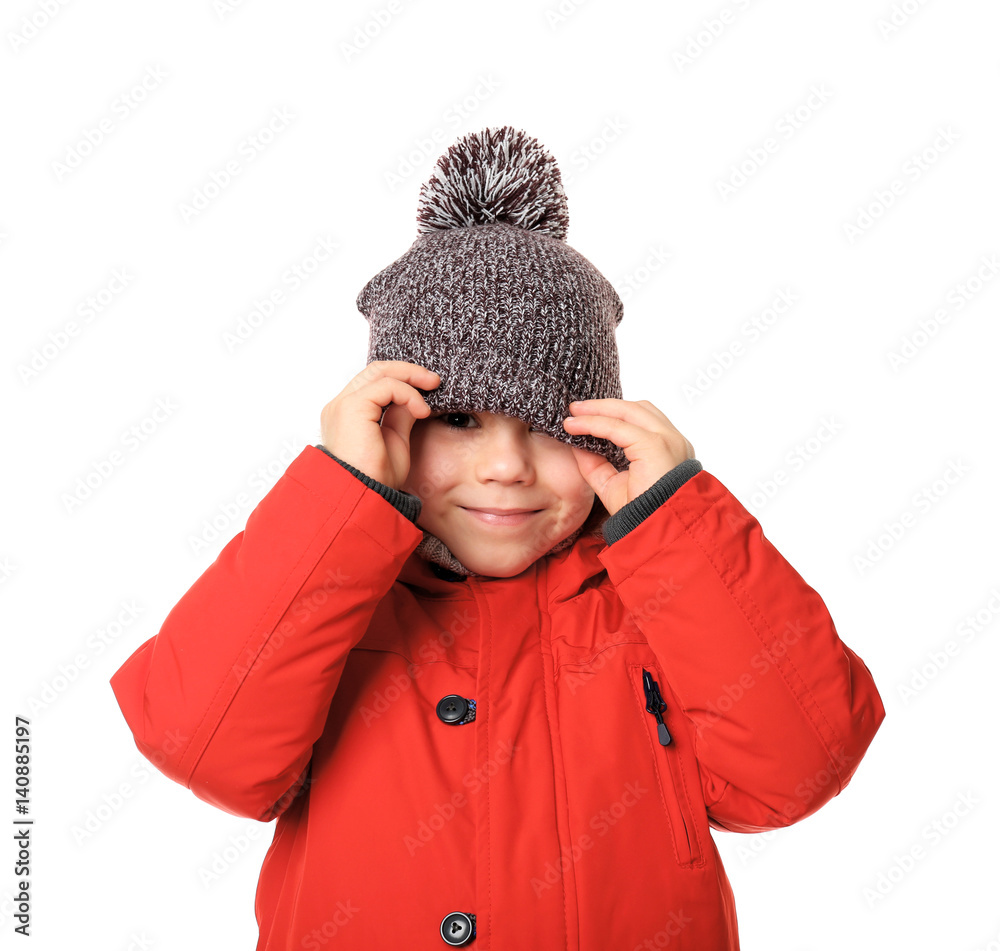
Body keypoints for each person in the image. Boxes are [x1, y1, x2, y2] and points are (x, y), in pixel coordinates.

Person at [109, 126, 886, 949]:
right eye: (460, 420)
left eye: (550, 427)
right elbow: (203, 747)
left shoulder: (657, 594)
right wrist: (338, 499)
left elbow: (799, 769)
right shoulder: (333, 593)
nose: (507, 465)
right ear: (390, 425)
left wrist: (676, 522)